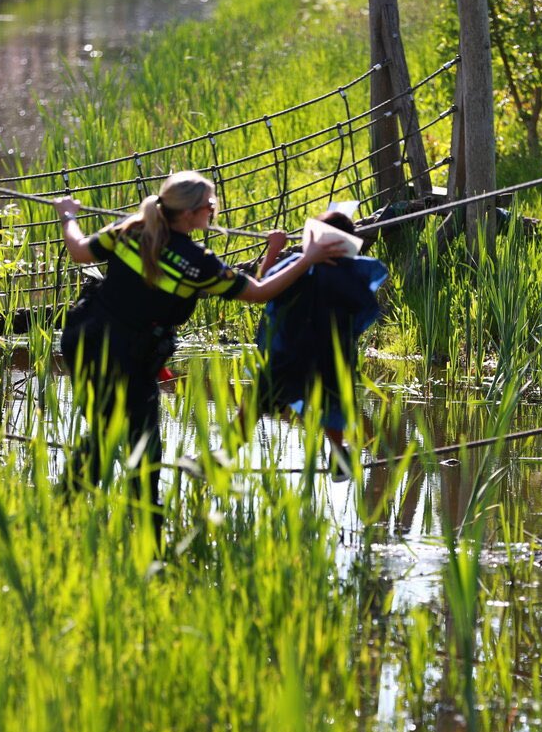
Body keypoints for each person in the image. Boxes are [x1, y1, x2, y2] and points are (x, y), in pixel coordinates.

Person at [54, 171, 348, 537]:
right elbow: (257, 293)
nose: (214, 210)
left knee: (104, 431)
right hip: (128, 356)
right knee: (142, 451)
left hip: (86, 341)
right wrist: (309, 257)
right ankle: (149, 544)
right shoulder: (198, 263)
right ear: (192, 213)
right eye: (210, 205)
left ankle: (62, 514)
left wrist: (68, 216)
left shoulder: (130, 229)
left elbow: (79, 250)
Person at [242, 210, 389, 482]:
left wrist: (274, 248)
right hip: (332, 360)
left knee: (254, 406)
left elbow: (262, 287)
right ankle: (339, 453)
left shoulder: (299, 265)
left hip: (287, 357)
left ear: (315, 238)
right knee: (332, 408)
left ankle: (224, 453)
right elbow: (363, 318)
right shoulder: (355, 276)